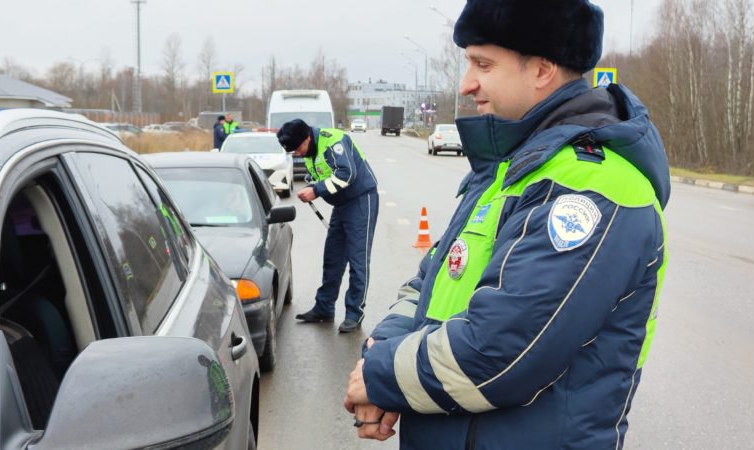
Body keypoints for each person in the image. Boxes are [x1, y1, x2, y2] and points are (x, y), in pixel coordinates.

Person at [344, 0, 671, 448]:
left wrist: (380, 378)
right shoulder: (509, 171)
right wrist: (379, 351)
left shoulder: (593, 187)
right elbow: (431, 282)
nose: (466, 84)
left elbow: (497, 355)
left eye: (483, 64)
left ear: (541, 69)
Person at [277, 119, 379, 333]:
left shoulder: (333, 140)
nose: (297, 153)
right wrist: (313, 184)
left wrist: (316, 190)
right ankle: (324, 307)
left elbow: (347, 174)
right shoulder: (309, 150)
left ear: (307, 138)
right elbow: (323, 173)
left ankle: (354, 314)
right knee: (332, 257)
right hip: (341, 204)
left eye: (298, 148)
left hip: (360, 200)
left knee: (357, 260)